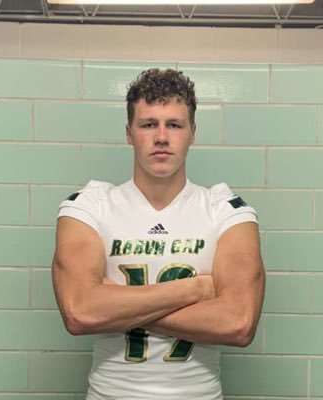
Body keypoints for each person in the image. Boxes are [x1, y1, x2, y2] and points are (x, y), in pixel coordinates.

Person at [52, 68, 265, 400]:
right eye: (149, 124)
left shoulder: (225, 210)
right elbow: (80, 313)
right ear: (129, 133)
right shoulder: (90, 206)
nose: (162, 137)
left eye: (175, 125)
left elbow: (238, 323)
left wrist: (117, 304)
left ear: (192, 132)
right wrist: (195, 289)